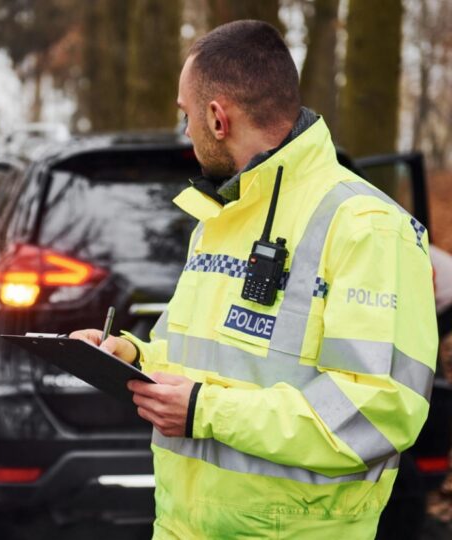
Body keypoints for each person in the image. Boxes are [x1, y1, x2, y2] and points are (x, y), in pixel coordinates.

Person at [70, 20, 437, 539]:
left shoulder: (368, 228)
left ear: (218, 118)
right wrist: (132, 356)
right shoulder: (220, 217)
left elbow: (377, 411)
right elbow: (202, 359)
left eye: (186, 115)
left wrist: (203, 409)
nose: (185, 131)